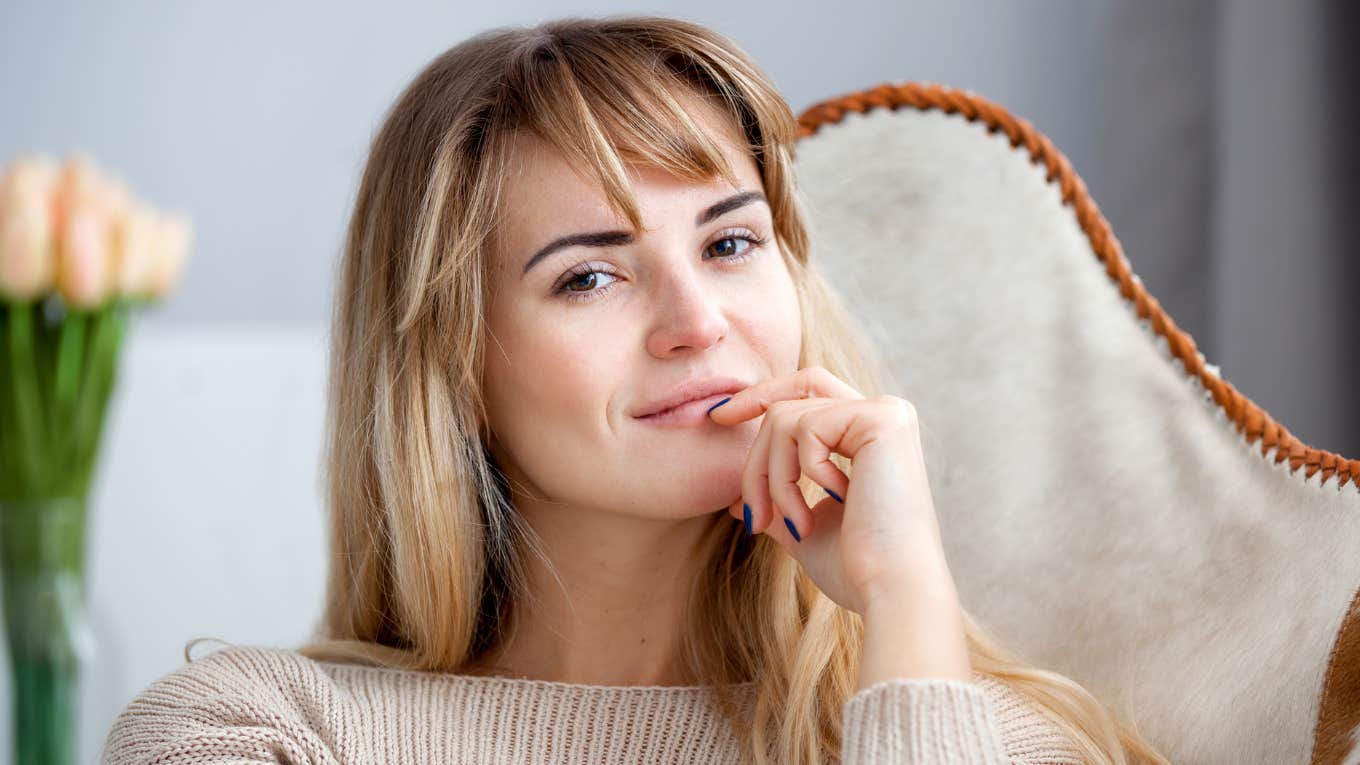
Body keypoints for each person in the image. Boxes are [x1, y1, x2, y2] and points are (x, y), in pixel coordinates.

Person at [102, 14, 1173, 765]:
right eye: (589, 275)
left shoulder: (992, 742)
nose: (698, 322)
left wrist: (904, 597)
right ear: (454, 365)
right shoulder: (255, 735)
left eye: (732, 241)